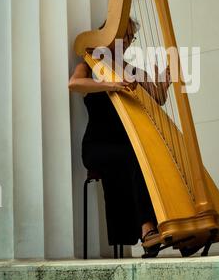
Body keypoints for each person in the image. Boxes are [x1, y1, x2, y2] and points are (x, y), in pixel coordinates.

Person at [69, 18, 171, 257]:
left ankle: (169, 224)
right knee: (135, 155)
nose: (127, 42)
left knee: (147, 154)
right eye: (123, 36)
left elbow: (156, 97)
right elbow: (74, 83)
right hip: (97, 146)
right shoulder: (91, 62)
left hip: (125, 145)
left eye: (130, 38)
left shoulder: (131, 70)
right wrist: (111, 83)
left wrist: (163, 87)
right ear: (109, 35)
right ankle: (147, 227)